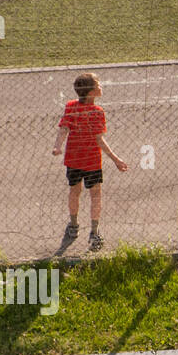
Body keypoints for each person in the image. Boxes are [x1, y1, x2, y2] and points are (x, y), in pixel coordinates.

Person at [52, 72, 128, 251]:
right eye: (98, 85)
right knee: (95, 195)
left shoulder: (71, 107)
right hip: (92, 161)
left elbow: (63, 129)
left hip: (73, 159)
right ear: (92, 92)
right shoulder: (97, 112)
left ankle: (73, 225)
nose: (101, 87)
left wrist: (57, 146)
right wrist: (116, 159)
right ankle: (94, 232)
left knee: (74, 191)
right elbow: (99, 139)